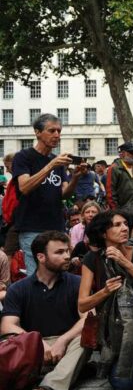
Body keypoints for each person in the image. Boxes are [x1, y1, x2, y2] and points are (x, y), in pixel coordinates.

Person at [0, 231, 89, 390]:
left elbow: (88, 317)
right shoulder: (19, 288)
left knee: (84, 340)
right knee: (9, 343)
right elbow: (7, 326)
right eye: (59, 252)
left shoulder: (77, 282)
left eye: (67, 251)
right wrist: (38, 342)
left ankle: (46, 389)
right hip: (33, 348)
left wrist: (63, 341)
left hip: (67, 344)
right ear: (41, 257)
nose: (67, 256)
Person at [78, 209, 133, 390]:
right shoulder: (92, 259)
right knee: (124, 387)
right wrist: (104, 292)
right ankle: (119, 361)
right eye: (117, 225)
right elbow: (83, 304)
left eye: (125, 224)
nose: (124, 228)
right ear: (102, 233)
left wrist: (125, 263)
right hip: (114, 327)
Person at [13, 113, 87, 275]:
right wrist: (50, 165)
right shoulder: (24, 157)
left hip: (56, 227)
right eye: (51, 130)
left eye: (59, 131)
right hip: (32, 228)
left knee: (59, 275)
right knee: (37, 277)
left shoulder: (58, 162)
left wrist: (75, 178)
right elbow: (24, 187)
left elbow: (64, 194)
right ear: (37, 132)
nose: (57, 135)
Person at [105, 141, 133, 210]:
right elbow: (110, 193)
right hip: (123, 209)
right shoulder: (114, 169)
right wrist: (116, 210)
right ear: (122, 154)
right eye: (132, 152)